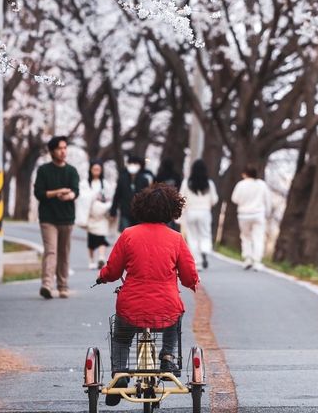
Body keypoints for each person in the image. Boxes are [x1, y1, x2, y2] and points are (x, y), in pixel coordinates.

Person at [96, 184, 199, 405]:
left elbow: (113, 271)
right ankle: (168, 357)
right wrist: (192, 284)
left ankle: (120, 374)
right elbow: (189, 274)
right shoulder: (176, 239)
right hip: (165, 308)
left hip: (131, 306)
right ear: (172, 209)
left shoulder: (128, 235)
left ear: (140, 208)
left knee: (122, 338)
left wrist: (102, 276)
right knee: (176, 314)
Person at [33, 135, 80, 299]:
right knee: (51, 251)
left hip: (66, 218)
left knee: (64, 253)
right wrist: (57, 192)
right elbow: (39, 193)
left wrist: (69, 196)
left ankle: (63, 286)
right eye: (60, 148)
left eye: (65, 148)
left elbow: (75, 190)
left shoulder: (72, 171)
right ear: (52, 151)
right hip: (48, 218)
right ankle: (47, 284)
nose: (63, 151)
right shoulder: (44, 170)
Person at [230, 165, 271, 271]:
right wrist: (267, 213)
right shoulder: (262, 184)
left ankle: (247, 258)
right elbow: (267, 200)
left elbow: (234, 199)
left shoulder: (241, 184)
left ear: (245, 174)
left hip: (244, 215)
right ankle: (257, 261)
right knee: (258, 237)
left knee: (245, 236)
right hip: (258, 214)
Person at [179, 159, 218, 270]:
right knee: (205, 235)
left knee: (193, 237)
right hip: (205, 212)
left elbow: (182, 199)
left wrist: (181, 213)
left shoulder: (186, 182)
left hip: (191, 212)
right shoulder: (209, 183)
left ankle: (198, 262)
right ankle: (204, 250)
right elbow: (214, 199)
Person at [79, 159, 113, 269]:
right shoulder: (85, 184)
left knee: (102, 237)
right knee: (91, 240)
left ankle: (101, 258)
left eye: (98, 169)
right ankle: (91, 259)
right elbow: (82, 197)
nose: (96, 171)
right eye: (94, 169)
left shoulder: (105, 184)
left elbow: (109, 196)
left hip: (102, 215)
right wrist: (93, 196)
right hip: (91, 215)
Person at [110, 154, 151, 232]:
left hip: (139, 213)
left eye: (135, 164)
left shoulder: (144, 180)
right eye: (131, 163)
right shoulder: (122, 179)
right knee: (125, 233)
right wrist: (113, 211)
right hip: (125, 212)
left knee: (137, 235)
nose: (133, 166)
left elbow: (147, 197)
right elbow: (117, 195)